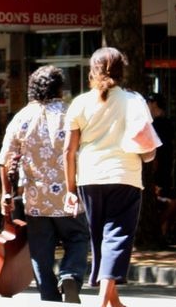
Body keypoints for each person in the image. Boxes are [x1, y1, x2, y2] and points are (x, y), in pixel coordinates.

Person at [64, 47, 160, 307]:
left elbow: (69, 150)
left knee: (100, 237)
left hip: (89, 177)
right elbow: (147, 145)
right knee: (117, 235)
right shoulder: (134, 100)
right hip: (124, 175)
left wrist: (70, 188)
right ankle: (103, 301)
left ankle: (112, 299)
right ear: (122, 71)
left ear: (91, 72)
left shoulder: (80, 103)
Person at [0, 65, 88, 303]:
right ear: (60, 88)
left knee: (40, 252)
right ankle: (70, 274)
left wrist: (6, 194)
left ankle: (49, 296)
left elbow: (5, 159)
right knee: (78, 238)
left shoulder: (22, 117)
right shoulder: (71, 114)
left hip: (35, 199)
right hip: (70, 195)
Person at [145, 93, 176, 242]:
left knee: (171, 202)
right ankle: (161, 232)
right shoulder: (167, 124)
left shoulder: (156, 125)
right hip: (164, 171)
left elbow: (157, 151)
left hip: (159, 173)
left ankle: (157, 231)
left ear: (154, 104)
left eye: (148, 102)